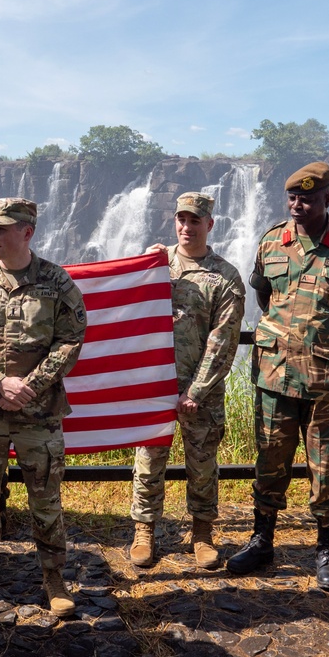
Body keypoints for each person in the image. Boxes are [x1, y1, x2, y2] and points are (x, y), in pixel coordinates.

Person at [227, 161, 329, 590]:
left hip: (328, 381)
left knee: (326, 467)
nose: (299, 205)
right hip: (275, 376)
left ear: (327, 200)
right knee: (269, 461)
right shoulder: (271, 241)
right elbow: (263, 293)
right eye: (293, 198)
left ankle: (327, 550)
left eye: (309, 198)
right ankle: (262, 541)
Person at [0, 197, 86, 619]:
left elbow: (71, 339)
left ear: (27, 232)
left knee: (46, 497)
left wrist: (31, 385)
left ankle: (53, 576)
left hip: (38, 412)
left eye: (2, 229)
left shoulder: (56, 283)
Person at [129, 192, 245, 569]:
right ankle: (143, 530)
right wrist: (143, 266)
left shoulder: (224, 276)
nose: (186, 227)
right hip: (157, 386)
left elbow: (223, 341)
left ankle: (202, 533)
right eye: (181, 219)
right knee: (148, 461)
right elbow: (128, 309)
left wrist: (196, 390)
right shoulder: (156, 265)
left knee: (202, 465)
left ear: (209, 225)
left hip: (202, 392)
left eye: (194, 220)